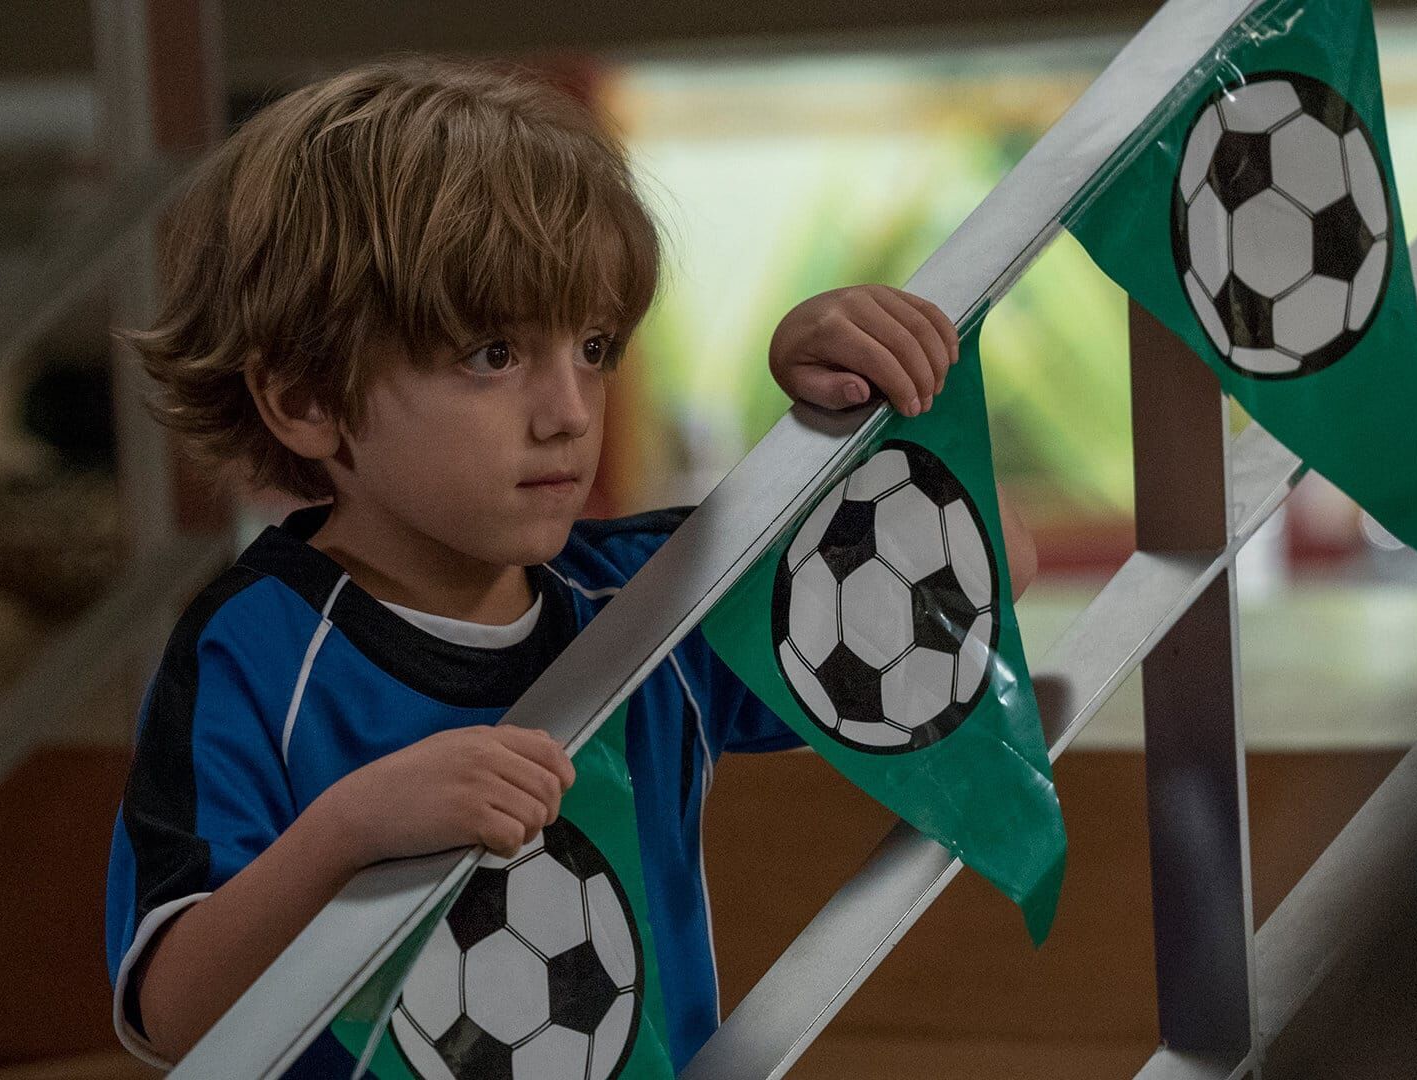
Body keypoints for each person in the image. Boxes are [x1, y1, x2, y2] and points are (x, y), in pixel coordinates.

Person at [103, 54, 1037, 1074]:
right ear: (304, 399)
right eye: (492, 355)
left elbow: (993, 572)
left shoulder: (650, 597)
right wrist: (349, 834)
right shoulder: (253, 651)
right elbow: (170, 1017)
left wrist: (846, 406)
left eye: (593, 347)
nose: (568, 413)